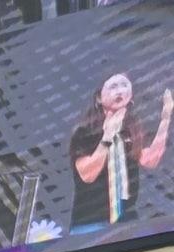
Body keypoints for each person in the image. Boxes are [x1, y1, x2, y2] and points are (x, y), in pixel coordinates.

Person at [69, 73, 172, 234]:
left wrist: (165, 119)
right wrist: (107, 138)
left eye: (124, 85)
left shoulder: (131, 128)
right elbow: (87, 175)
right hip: (90, 225)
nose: (120, 91)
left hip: (127, 222)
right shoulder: (85, 132)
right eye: (113, 86)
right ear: (98, 97)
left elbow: (150, 160)